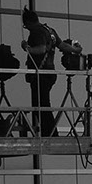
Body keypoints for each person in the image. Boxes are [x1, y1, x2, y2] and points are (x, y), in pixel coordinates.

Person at [21, 7, 81, 137]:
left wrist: (27, 48)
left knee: (40, 106)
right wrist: (76, 50)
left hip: (41, 74)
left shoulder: (36, 31)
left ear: (29, 22)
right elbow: (62, 46)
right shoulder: (50, 30)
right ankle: (51, 133)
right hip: (49, 73)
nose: (25, 27)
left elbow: (41, 49)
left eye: (25, 24)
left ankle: (51, 134)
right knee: (44, 105)